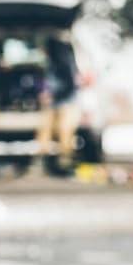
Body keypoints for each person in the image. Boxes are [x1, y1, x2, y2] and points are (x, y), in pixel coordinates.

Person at [32, 35, 82, 175]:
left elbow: (69, 85)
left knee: (65, 133)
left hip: (66, 102)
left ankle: (65, 163)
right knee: (45, 131)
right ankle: (45, 161)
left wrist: (52, 95)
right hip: (54, 103)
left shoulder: (63, 62)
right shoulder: (51, 63)